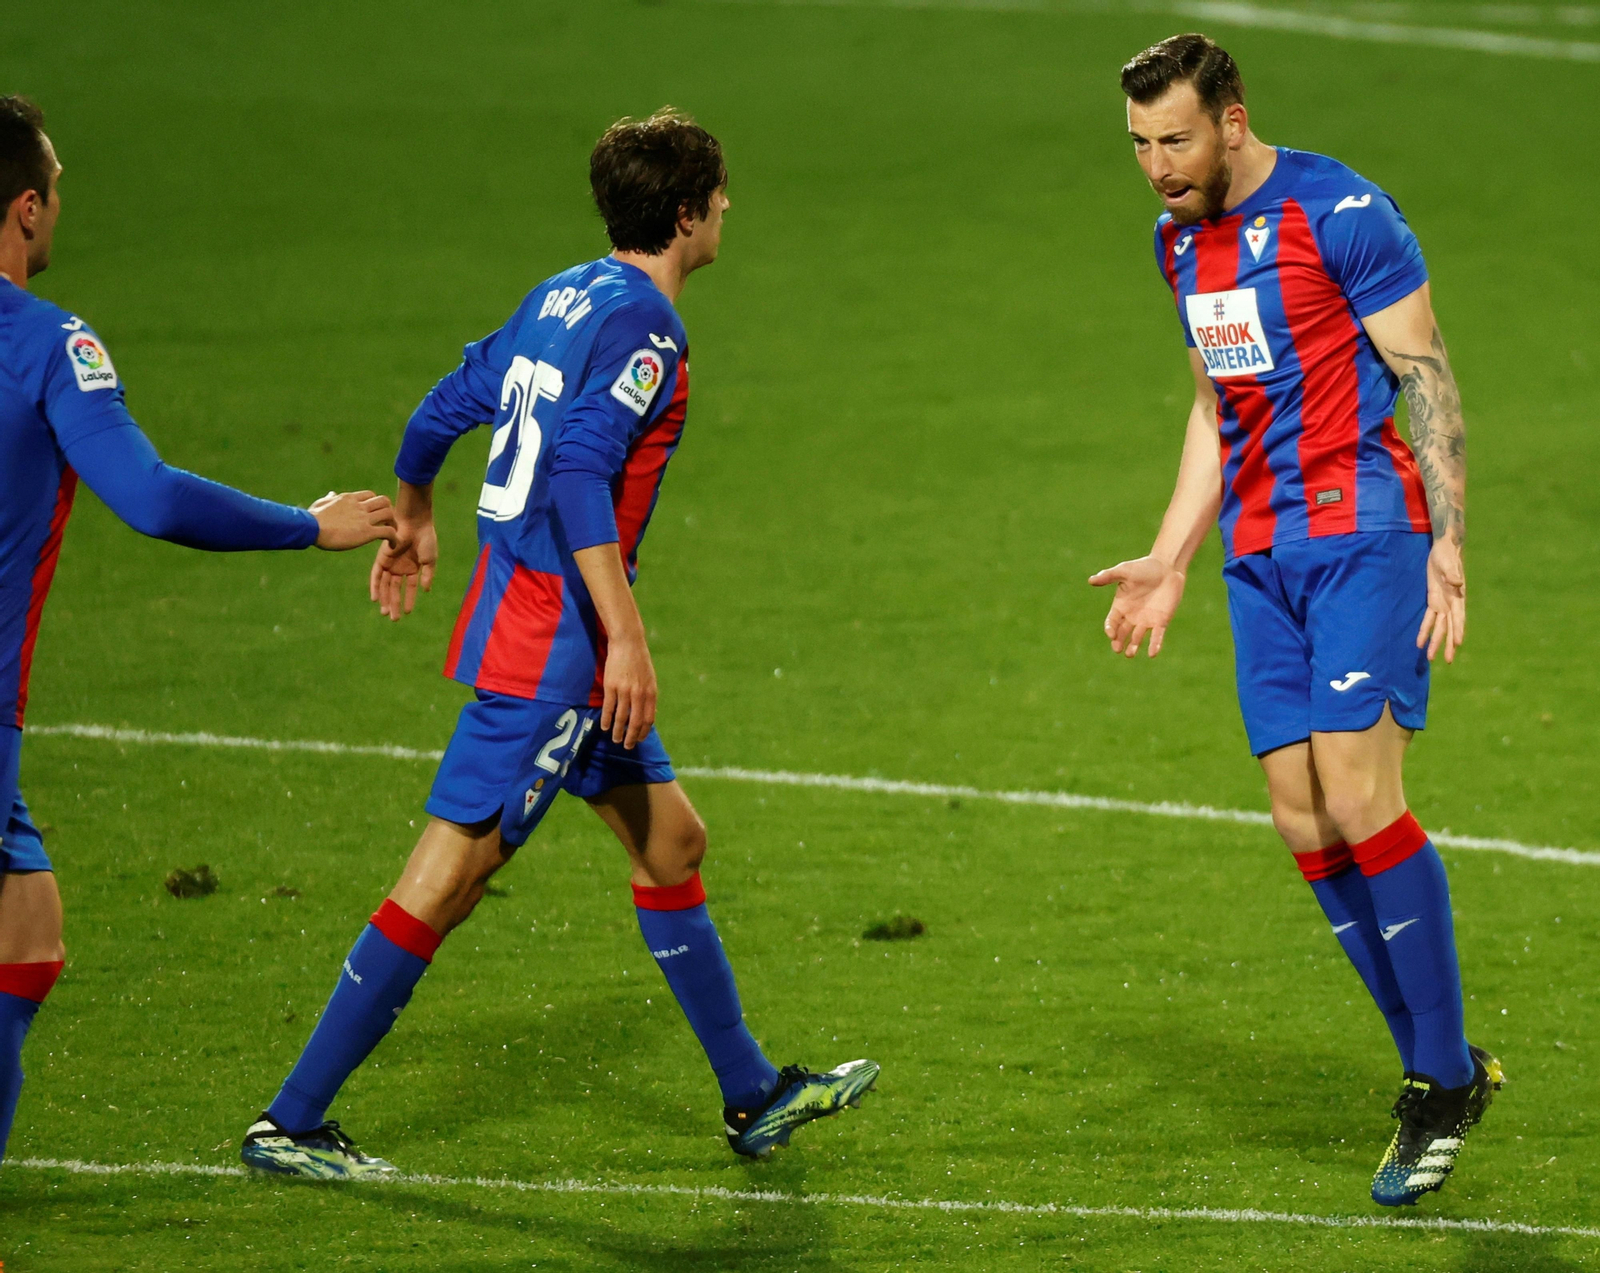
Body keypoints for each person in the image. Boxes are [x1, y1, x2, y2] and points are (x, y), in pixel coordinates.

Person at [241, 109, 877, 1179]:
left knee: (670, 842)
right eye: (717, 194)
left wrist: (416, 506)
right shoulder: (649, 331)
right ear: (685, 214)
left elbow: (449, 401)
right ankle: (290, 1120)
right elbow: (582, 471)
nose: (727, 207)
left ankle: (753, 1095)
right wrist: (623, 638)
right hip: (558, 649)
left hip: (533, 617)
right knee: (447, 878)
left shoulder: (564, 291)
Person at [1088, 36, 1501, 1207]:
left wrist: (1450, 544)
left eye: (1173, 139)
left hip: (1364, 528)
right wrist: (1167, 557)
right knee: (1301, 819)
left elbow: (1424, 374)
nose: (1157, 166)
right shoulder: (1178, 241)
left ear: (1231, 119)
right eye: (1137, 146)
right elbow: (1219, 405)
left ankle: (1432, 1086)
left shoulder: (1343, 211)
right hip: (1257, 554)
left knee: (1361, 793)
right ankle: (1448, 1063)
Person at [0, 96, 398, 1164]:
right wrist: (304, 530)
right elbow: (154, 499)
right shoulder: (46, 345)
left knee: (27, 936)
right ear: (26, 207)